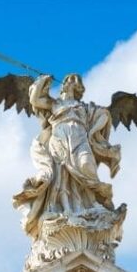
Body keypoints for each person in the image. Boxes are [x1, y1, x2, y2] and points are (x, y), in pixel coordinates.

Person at [13, 74, 122, 238]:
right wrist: (42, 80)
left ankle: (92, 203)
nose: (67, 83)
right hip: (60, 138)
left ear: (77, 87)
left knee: (86, 166)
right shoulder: (55, 103)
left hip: (79, 137)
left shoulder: (85, 107)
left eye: (72, 81)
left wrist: (93, 130)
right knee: (62, 177)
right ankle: (67, 210)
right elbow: (35, 99)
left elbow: (104, 115)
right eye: (67, 80)